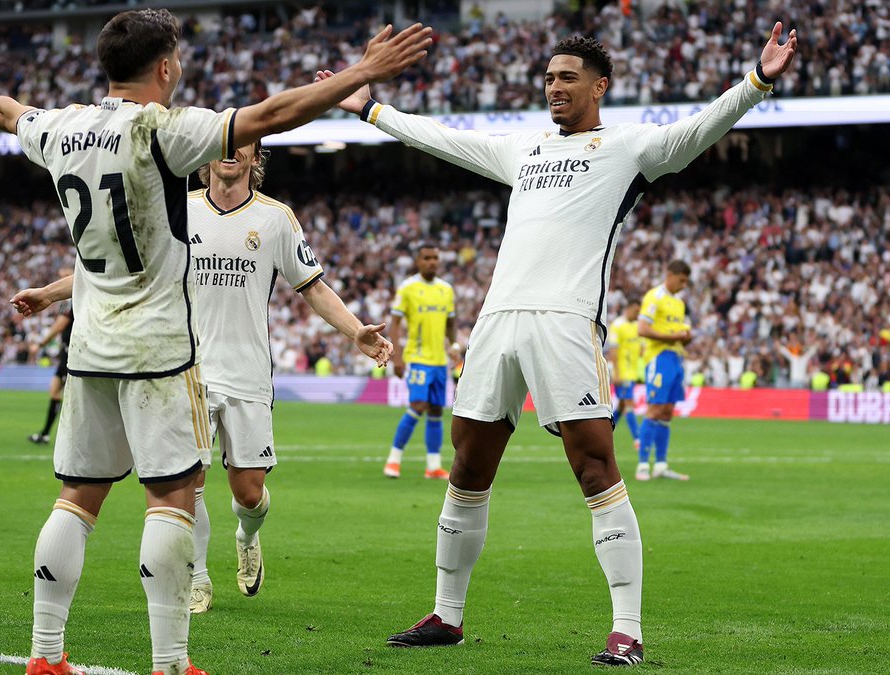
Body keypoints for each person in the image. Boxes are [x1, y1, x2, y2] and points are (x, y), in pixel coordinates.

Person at [0, 8, 432, 675]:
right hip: (160, 344)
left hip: (91, 347)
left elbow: (5, 110)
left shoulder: (61, 125)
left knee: (76, 498)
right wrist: (363, 73)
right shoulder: (164, 129)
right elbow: (271, 116)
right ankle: (170, 661)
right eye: (180, 60)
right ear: (165, 67)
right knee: (174, 495)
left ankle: (45, 655)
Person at [317, 21, 797, 666]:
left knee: (594, 466)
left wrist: (757, 81)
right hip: (497, 322)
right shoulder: (527, 149)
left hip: (566, 322)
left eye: (568, 77)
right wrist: (373, 109)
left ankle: (626, 629)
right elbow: (447, 140)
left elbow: (697, 132)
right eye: (548, 78)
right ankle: (447, 615)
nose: (555, 87)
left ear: (600, 86)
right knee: (467, 468)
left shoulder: (629, 147)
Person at [185, 141, 393, 613]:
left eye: (243, 145)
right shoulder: (180, 210)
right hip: (189, 370)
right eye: (222, 143)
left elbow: (313, 287)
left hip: (248, 373)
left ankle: (247, 536)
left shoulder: (277, 218)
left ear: (256, 159)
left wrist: (356, 330)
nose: (231, 151)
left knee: (250, 494)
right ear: (207, 157)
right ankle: (196, 576)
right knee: (188, 481)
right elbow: (127, 267)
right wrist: (57, 295)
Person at [383, 243, 459, 480]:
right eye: (427, 258)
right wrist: (395, 355)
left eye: (435, 257)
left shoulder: (446, 290)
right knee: (418, 406)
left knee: (436, 411)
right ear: (418, 261)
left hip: (439, 361)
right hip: (417, 359)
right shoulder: (408, 288)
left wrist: (454, 346)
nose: (432, 262)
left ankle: (433, 466)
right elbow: (395, 323)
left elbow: (451, 322)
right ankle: (393, 460)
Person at [636, 260, 693, 482]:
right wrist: (674, 336)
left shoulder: (679, 303)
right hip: (658, 359)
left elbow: (676, 333)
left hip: (676, 357)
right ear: (669, 274)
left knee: (668, 411)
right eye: (681, 280)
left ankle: (660, 465)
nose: (683, 285)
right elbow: (643, 328)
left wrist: (685, 338)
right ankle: (642, 465)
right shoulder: (654, 296)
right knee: (655, 409)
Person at [28, 299, 73, 444]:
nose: (62, 274)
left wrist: (41, 344)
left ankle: (72, 438)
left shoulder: (72, 300)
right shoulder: (68, 301)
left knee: (74, 398)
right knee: (54, 391)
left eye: (65, 273)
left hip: (73, 354)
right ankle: (46, 434)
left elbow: (60, 326)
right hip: (66, 353)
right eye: (61, 273)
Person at [607, 298, 643, 449]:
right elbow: (613, 350)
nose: (638, 314)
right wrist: (616, 373)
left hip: (632, 372)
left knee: (622, 406)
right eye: (636, 311)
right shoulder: (618, 325)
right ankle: (638, 439)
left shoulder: (637, 325)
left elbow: (641, 349)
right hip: (622, 373)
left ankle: (606, 431)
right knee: (629, 404)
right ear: (628, 309)